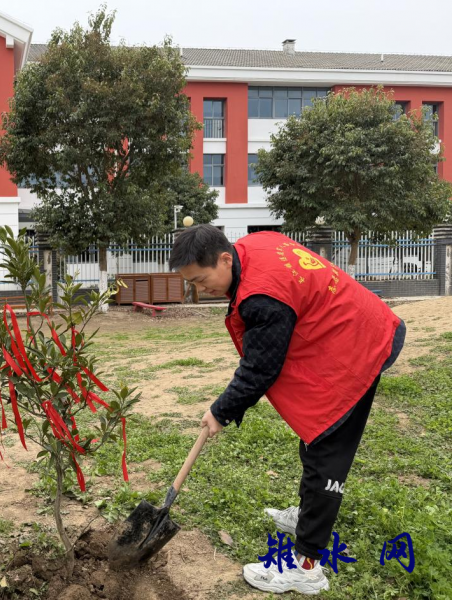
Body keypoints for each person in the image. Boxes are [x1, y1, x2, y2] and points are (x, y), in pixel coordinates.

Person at [168, 225, 405, 595]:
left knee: (327, 452)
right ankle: (305, 515)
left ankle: (306, 568)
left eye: (200, 280)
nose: (200, 289)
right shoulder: (254, 244)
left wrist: (220, 411)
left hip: (360, 344)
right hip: (339, 328)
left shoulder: (262, 298)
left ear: (226, 258)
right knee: (313, 435)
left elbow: (260, 368)